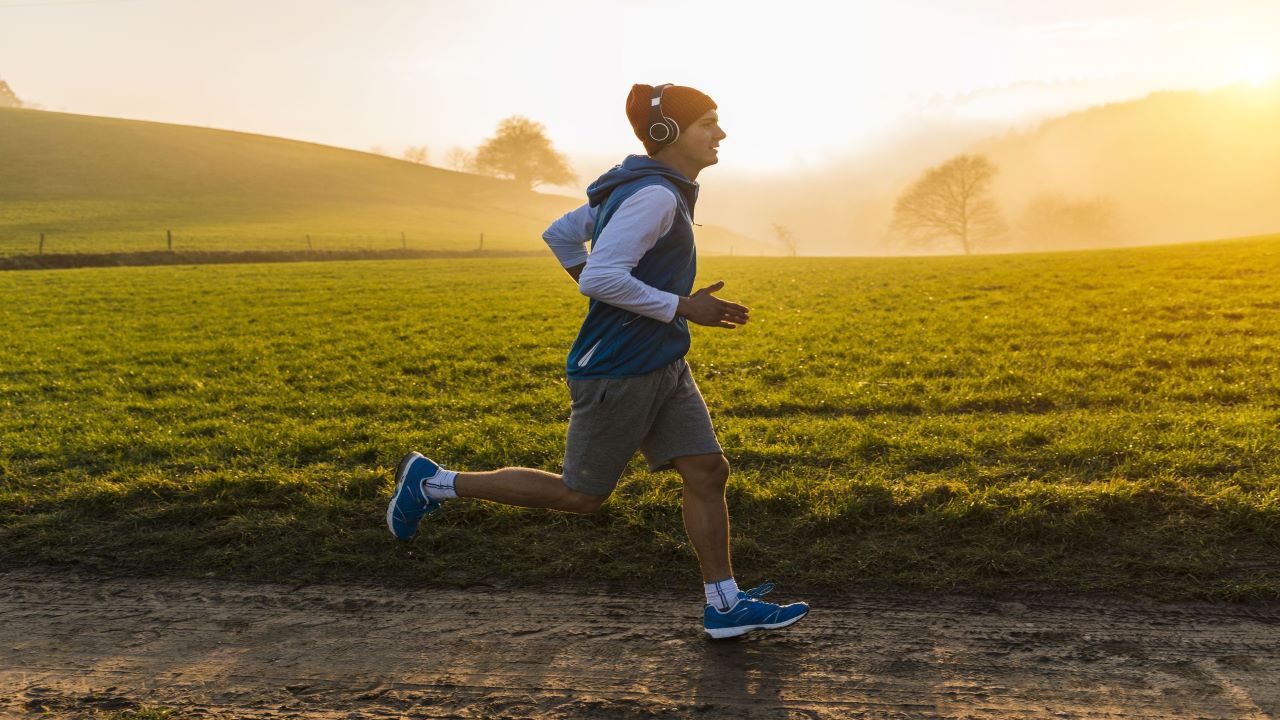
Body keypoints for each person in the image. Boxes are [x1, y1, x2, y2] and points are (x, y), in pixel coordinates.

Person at [387, 83, 809, 639]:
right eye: (708, 122)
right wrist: (683, 306)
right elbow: (602, 277)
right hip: (619, 369)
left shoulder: (646, 189)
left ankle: (725, 606)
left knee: (707, 472)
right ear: (666, 133)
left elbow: (560, 236)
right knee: (581, 495)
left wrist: (651, 308)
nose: (721, 133)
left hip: (661, 361)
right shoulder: (653, 195)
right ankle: (435, 483)